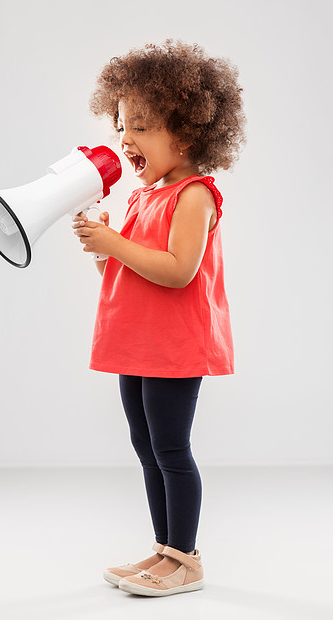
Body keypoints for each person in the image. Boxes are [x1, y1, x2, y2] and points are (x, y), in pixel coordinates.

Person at [71, 39, 247, 597]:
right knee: (146, 448)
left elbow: (176, 272)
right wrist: (104, 251)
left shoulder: (194, 196)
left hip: (173, 346)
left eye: (141, 126)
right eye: (123, 125)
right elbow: (130, 279)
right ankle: (164, 548)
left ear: (189, 132)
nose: (125, 139)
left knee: (171, 450)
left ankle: (186, 559)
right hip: (137, 342)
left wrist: (113, 244)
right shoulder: (145, 195)